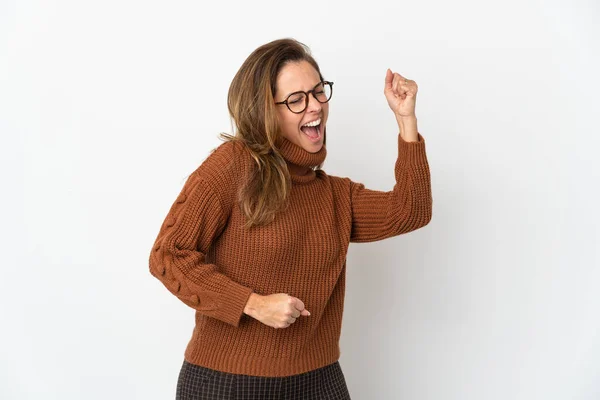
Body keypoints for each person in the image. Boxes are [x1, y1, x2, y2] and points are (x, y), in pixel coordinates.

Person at [148, 37, 432, 400]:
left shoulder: (333, 195)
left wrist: (406, 120)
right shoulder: (232, 166)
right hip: (229, 383)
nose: (314, 107)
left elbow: (412, 210)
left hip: (318, 379)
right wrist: (253, 303)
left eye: (318, 92)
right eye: (296, 99)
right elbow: (168, 255)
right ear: (265, 110)